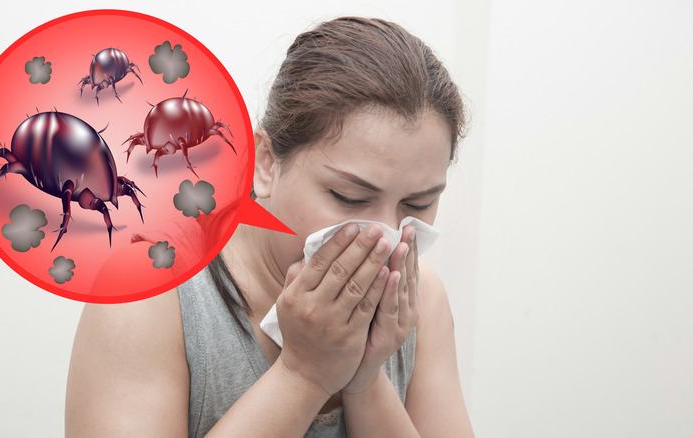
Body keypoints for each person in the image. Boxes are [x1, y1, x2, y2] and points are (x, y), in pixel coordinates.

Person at [65, 17, 474, 437]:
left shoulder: (421, 298)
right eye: (349, 198)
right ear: (266, 163)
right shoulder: (150, 291)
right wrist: (305, 374)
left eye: (418, 204)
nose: (385, 237)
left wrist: (365, 381)